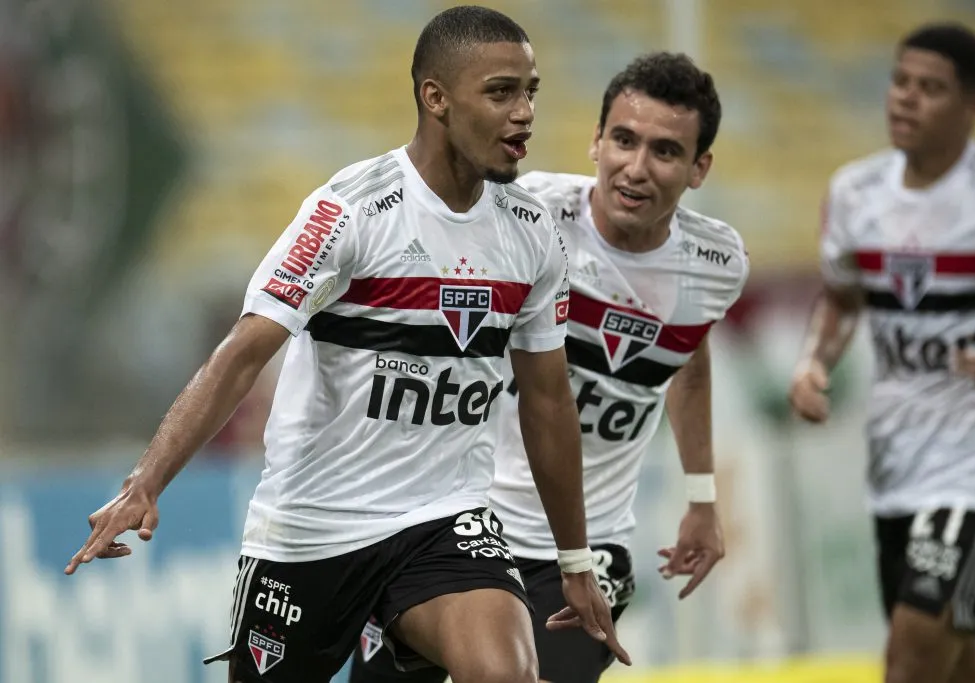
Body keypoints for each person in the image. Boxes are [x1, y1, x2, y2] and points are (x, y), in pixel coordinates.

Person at [63, 6, 629, 683]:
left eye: (530, 91)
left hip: (443, 517)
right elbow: (243, 352)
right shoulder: (351, 212)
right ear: (436, 98)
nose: (524, 113)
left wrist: (573, 560)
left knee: (507, 675)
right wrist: (144, 483)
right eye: (501, 91)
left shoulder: (532, 233)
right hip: (313, 528)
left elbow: (545, 401)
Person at [351, 51, 748, 683]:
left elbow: (688, 359)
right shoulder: (525, 216)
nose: (636, 168)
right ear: (595, 141)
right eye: (623, 140)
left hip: (586, 550)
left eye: (666, 152)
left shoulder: (716, 262)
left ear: (699, 168)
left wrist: (701, 496)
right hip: (451, 530)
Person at [789, 22, 975, 683]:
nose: (905, 99)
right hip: (895, 461)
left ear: (974, 106)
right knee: (951, 661)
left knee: (911, 654)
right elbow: (840, 298)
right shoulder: (855, 193)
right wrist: (814, 362)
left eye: (930, 88)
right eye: (900, 82)